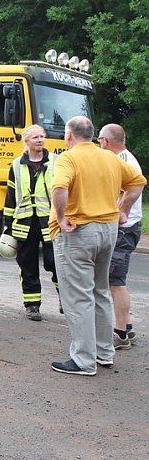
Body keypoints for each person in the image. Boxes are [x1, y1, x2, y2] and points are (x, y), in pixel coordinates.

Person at [49, 116, 145, 376]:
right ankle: (105, 353)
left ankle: (83, 360)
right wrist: (122, 209)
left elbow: (59, 187)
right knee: (100, 291)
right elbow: (137, 183)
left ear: (69, 136)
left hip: (79, 231)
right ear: (92, 135)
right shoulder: (110, 157)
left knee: (78, 295)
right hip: (108, 230)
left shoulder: (68, 158)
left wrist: (60, 217)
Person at [3, 125, 60, 321]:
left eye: (42, 136)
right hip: (24, 223)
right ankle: (32, 305)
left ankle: (65, 300)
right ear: (26, 141)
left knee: (55, 262)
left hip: (50, 222)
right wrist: (7, 225)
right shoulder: (16, 165)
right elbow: (10, 197)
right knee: (27, 264)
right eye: (35, 137)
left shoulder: (55, 161)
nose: (40, 140)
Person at [99, 123, 142, 349]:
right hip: (128, 228)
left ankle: (120, 333)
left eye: (99, 141)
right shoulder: (125, 158)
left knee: (115, 282)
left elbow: (133, 189)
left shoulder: (122, 161)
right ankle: (128, 326)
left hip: (124, 229)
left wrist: (121, 211)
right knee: (113, 280)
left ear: (106, 142)